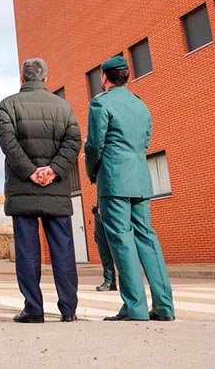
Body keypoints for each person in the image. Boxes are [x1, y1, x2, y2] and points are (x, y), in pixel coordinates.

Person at [85, 56, 174, 322]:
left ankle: (134, 308)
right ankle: (164, 306)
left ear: (104, 76)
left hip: (113, 180)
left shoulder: (100, 103)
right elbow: (145, 142)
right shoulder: (140, 105)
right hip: (140, 179)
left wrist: (92, 171)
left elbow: (94, 145)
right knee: (147, 238)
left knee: (121, 240)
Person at [0, 58, 82, 323]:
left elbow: (7, 142)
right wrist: (53, 170)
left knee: (28, 251)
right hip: (55, 189)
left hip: (23, 189)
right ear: (45, 78)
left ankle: (34, 309)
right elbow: (74, 141)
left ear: (23, 78)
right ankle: (68, 310)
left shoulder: (8, 105)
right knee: (63, 251)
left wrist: (30, 172)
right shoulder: (64, 107)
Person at [91, 204, 117, 291]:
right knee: (104, 252)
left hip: (112, 213)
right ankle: (109, 282)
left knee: (120, 251)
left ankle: (129, 283)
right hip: (99, 214)